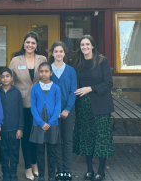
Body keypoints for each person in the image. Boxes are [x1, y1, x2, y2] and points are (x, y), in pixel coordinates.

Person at [72, 35, 114, 181]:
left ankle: (100, 171)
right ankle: (89, 170)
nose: (84, 47)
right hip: (83, 107)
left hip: (100, 107)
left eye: (87, 44)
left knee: (101, 139)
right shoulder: (79, 62)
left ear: (93, 46)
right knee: (87, 138)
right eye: (82, 44)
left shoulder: (102, 61)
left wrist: (90, 88)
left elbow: (108, 83)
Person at [9, 31, 47, 180]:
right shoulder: (16, 60)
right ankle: (27, 167)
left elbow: (46, 77)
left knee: (36, 136)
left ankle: (35, 164)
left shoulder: (42, 59)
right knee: (25, 137)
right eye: (28, 42)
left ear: (37, 45)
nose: (30, 45)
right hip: (22, 105)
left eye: (33, 43)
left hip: (39, 103)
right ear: (24, 44)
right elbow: (8, 80)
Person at [48, 42, 77, 181]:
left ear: (64, 53)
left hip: (68, 111)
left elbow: (73, 91)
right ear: (52, 53)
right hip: (53, 112)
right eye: (56, 51)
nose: (58, 54)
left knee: (68, 140)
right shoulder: (48, 70)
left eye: (61, 51)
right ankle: (59, 170)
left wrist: (67, 109)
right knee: (56, 141)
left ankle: (67, 170)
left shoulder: (71, 70)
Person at [30, 62, 61, 181]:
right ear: (39, 72)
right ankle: (41, 176)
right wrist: (41, 122)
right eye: (41, 71)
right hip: (39, 123)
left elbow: (58, 106)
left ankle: (51, 176)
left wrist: (51, 121)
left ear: (51, 73)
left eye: (46, 71)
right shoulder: (35, 88)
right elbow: (33, 107)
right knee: (40, 151)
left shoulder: (56, 88)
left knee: (52, 152)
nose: (44, 74)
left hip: (52, 123)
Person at [0, 67, 24, 181]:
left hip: (14, 129)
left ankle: (13, 173)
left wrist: (20, 128)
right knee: (3, 152)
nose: (5, 79)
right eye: (2, 77)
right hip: (2, 128)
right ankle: (5, 173)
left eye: (7, 76)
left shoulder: (16, 92)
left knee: (14, 152)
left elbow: (20, 111)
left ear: (12, 78)